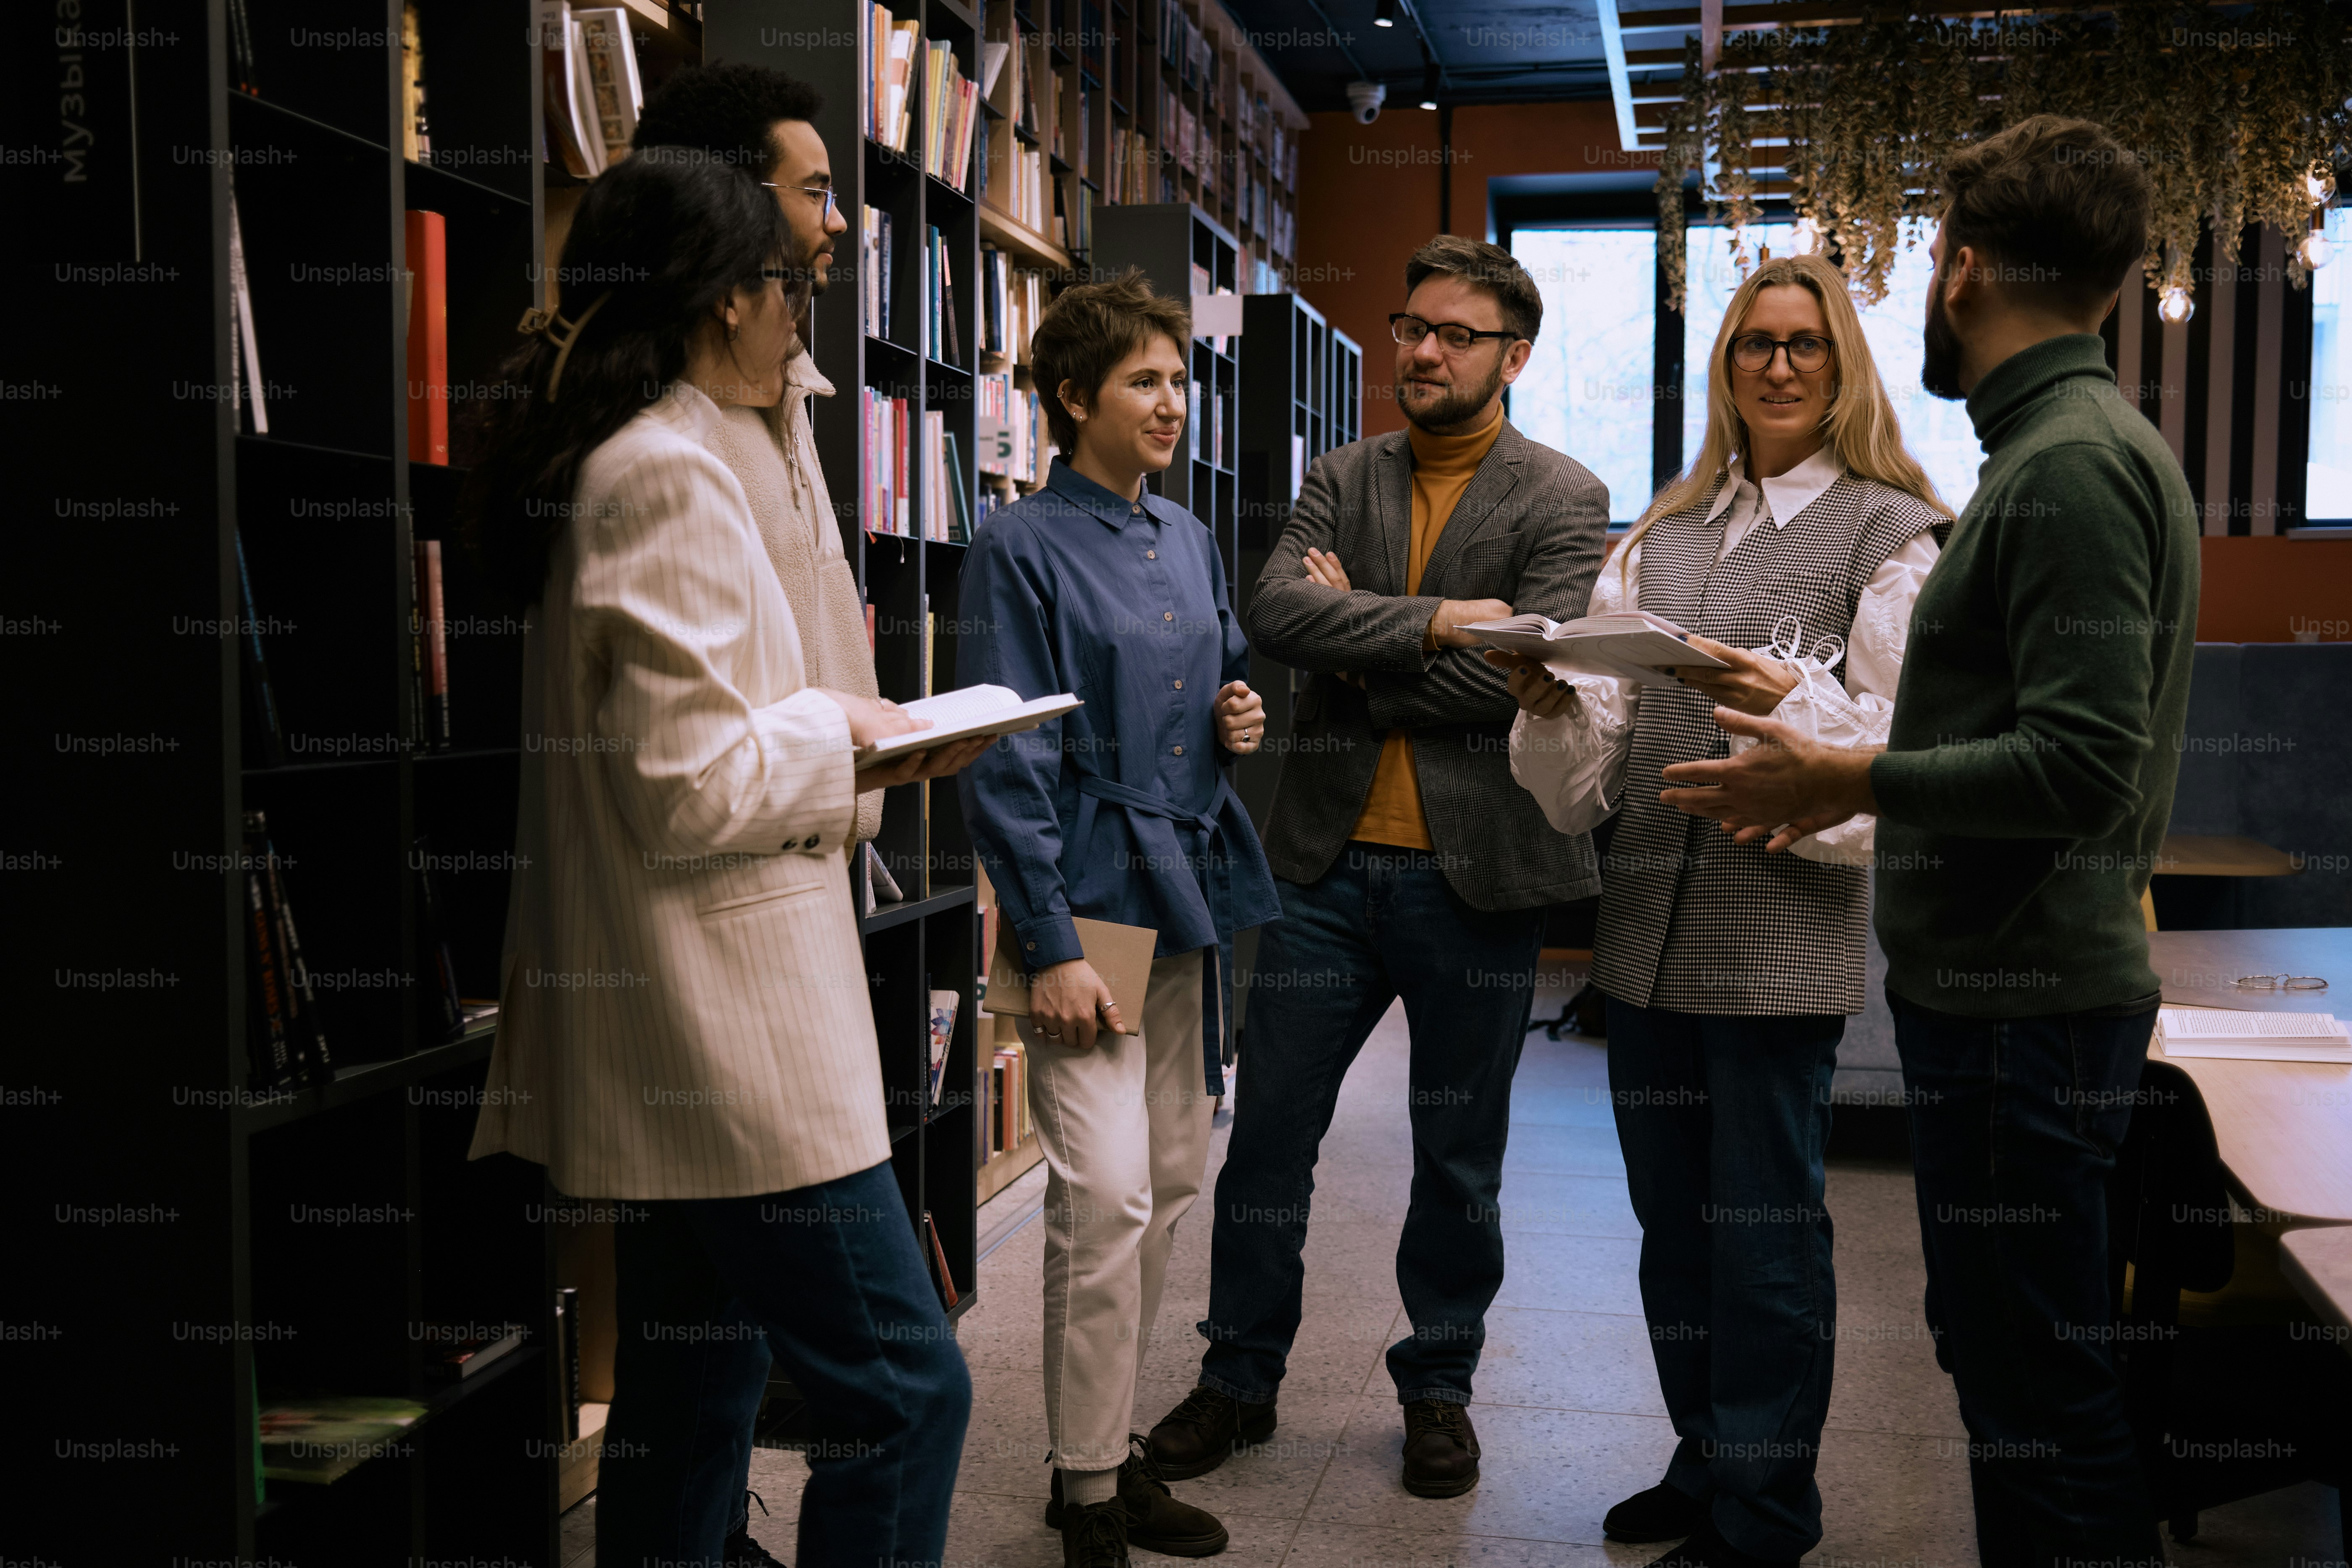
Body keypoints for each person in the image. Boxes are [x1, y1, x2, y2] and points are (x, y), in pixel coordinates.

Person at [1656, 115, 2197, 1568]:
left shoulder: (2063, 469)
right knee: (2013, 1372)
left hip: (2025, 1011)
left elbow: (2084, 765)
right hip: (2005, 1005)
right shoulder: (2062, 448)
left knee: (2043, 1399)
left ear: (1957, 271)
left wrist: (1842, 775)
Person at [458, 146, 990, 1568]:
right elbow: (689, 785)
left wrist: (850, 736)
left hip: (694, 1034)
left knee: (694, 1390)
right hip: (733, 1038)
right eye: (781, 283)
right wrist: (860, 739)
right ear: (714, 296)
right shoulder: (666, 476)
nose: (799, 314)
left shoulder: (662, 450)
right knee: (903, 1392)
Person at [1497, 251, 1948, 1568]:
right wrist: (1551, 707)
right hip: (1639, 940)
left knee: (1764, 1249)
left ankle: (1765, 1514)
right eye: (1756, 343)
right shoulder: (1661, 536)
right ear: (1726, 365)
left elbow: (1892, 760)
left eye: (1806, 343)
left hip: (1775, 946)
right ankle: (1704, 1464)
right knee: (1674, 1237)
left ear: (1843, 365)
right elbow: (1587, 780)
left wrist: (1784, 710)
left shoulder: (1891, 532)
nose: (1780, 365)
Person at [1145, 236, 1610, 1500]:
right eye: (1412, 327)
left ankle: (1440, 1390)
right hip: (1322, 876)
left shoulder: (1566, 497)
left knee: (1459, 1160)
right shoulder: (1340, 475)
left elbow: (1535, 675)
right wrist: (1449, 630)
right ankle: (1237, 1379)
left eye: (1456, 335)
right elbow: (1277, 614)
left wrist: (1365, 650)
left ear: (1513, 355)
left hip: (1482, 880)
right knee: (1267, 1147)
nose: (1423, 351)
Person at [958, 270, 1281, 1567]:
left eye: (1179, 379)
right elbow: (1004, 759)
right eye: (1145, 380)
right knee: (1101, 1197)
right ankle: (1085, 1489)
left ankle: (1109, 1451)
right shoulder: (1015, 547)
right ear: (1071, 396)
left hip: (1187, 888)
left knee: (1169, 1182)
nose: (1173, 402)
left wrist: (1235, 715)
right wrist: (1045, 942)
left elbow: (1220, 668)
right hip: (1085, 899)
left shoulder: (1191, 537)